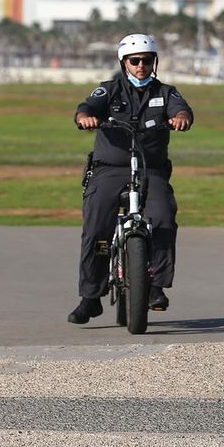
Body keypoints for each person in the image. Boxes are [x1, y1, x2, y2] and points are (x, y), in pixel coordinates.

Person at [69, 33, 194, 324]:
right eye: (135, 61)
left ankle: (156, 286)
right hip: (109, 168)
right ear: (124, 62)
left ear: (154, 62)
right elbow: (86, 108)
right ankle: (90, 297)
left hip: (151, 169)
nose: (141, 66)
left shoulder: (166, 93)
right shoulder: (109, 90)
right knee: (96, 227)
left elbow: (182, 109)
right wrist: (85, 118)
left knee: (163, 218)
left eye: (147, 61)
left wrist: (181, 118)